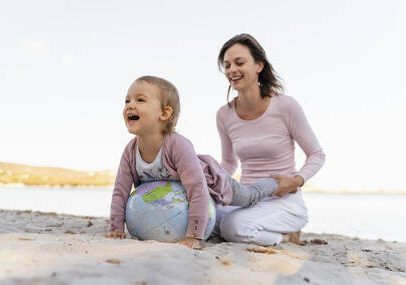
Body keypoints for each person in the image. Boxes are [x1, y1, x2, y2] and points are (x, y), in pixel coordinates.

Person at [106, 75, 278, 249]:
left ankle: (275, 182)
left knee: (249, 196)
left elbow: (197, 190)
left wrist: (193, 235)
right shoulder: (130, 152)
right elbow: (120, 192)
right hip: (186, 194)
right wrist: (116, 228)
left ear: (164, 113)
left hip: (212, 181)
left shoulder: (177, 145)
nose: (130, 105)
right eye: (127, 101)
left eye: (140, 100)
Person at [215, 34, 325, 246]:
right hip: (245, 198)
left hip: (283, 200)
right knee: (204, 218)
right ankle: (258, 226)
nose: (232, 70)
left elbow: (316, 154)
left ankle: (285, 236)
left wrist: (296, 180)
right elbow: (229, 163)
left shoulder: (285, 106)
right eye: (227, 65)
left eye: (239, 63)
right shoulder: (224, 114)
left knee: (233, 227)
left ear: (259, 65)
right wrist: (214, 187)